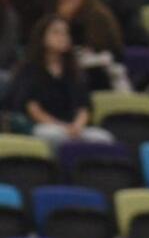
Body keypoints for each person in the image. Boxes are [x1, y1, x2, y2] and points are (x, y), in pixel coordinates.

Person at [9, 15, 114, 147]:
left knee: (102, 138)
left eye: (65, 33)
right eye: (56, 32)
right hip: (44, 125)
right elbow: (33, 108)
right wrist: (62, 126)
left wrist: (77, 126)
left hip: (74, 126)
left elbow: (84, 106)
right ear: (42, 37)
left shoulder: (74, 72)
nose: (62, 37)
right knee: (53, 135)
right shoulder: (30, 70)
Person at [56, 0, 128, 91]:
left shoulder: (100, 17)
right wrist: (63, 20)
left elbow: (111, 52)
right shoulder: (54, 20)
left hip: (99, 73)